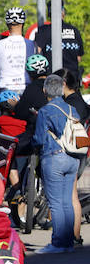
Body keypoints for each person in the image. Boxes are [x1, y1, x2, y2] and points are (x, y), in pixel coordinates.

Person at [31, 73, 81, 253]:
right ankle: (68, 243)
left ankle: (58, 243)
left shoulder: (45, 110)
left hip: (54, 158)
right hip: (72, 158)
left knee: (56, 203)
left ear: (45, 90)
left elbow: (39, 138)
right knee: (67, 201)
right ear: (62, 89)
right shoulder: (71, 109)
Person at [32, 13, 84, 85]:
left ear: (49, 15)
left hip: (52, 81)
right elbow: (79, 58)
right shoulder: (74, 30)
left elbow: (36, 51)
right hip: (72, 80)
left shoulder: (44, 30)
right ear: (63, 13)